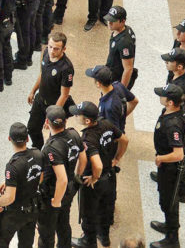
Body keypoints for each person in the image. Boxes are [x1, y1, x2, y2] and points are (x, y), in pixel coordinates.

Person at [70, 100, 128, 248]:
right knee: (106, 207)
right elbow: (124, 139)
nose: (75, 116)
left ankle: (88, 242)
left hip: (95, 182)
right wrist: (117, 158)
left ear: (87, 121)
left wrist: (95, 177)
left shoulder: (88, 138)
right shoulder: (106, 124)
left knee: (89, 213)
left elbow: (97, 164)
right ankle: (104, 236)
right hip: (110, 176)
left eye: (78, 115)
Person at [36, 105, 84, 248]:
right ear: (65, 122)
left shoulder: (51, 148)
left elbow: (61, 178)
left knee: (47, 232)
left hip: (53, 194)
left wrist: (56, 201)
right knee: (63, 224)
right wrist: (77, 178)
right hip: (69, 189)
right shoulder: (74, 134)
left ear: (47, 122)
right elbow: (84, 158)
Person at [0, 122, 43, 248]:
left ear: (9, 139)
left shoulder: (13, 166)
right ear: (27, 139)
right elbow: (40, 177)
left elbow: (9, 198)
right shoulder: (38, 154)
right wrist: (11, 183)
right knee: (26, 244)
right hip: (32, 209)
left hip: (14, 213)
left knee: (1, 242)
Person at [150, 83, 185, 248]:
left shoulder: (173, 124)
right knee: (164, 198)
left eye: (162, 95)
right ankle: (168, 225)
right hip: (165, 166)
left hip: (170, 168)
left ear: (170, 102)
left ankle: (173, 239)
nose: (160, 97)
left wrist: (162, 158)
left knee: (170, 201)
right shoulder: (172, 111)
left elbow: (178, 154)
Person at [26, 31, 75, 149]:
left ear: (64, 49)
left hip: (55, 105)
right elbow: (42, 73)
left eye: (56, 49)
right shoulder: (46, 54)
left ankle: (49, 153)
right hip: (41, 99)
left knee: (54, 136)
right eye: (50, 47)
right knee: (32, 128)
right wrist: (33, 90)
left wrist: (52, 115)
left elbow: (64, 95)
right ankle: (37, 148)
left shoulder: (66, 68)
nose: (52, 51)